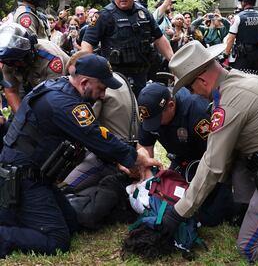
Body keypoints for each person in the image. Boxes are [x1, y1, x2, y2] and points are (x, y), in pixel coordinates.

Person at [0, 53, 162, 258]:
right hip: (23, 180)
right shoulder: (65, 103)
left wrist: (120, 160)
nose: (103, 95)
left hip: (36, 176)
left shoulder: (61, 90)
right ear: (84, 82)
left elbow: (93, 137)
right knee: (57, 241)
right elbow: (96, 136)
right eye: (102, 89)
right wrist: (139, 160)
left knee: (71, 222)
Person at [161, 40, 258, 262]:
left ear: (202, 80)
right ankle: (245, 211)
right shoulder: (241, 80)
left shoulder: (230, 103)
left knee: (250, 247)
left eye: (189, 87)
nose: (191, 93)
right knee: (234, 155)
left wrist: (178, 212)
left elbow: (212, 165)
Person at [137, 82, 237, 226]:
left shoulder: (196, 110)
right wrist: (147, 177)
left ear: (171, 105)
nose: (154, 125)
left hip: (210, 163)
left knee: (210, 218)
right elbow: (145, 146)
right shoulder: (150, 113)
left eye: (157, 120)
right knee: (167, 200)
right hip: (181, 161)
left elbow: (219, 153)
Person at [81, 0, 173, 96]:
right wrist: (91, 73)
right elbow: (87, 44)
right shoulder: (103, 15)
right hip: (114, 78)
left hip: (141, 76)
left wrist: (173, 61)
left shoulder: (144, 13)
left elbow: (159, 38)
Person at [62, 51, 139, 192]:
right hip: (127, 147)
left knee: (61, 188)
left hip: (113, 155)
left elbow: (85, 130)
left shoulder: (96, 88)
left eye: (74, 74)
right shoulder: (117, 78)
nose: (72, 80)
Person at [0, 23, 69, 113]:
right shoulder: (9, 60)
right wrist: (22, 117)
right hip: (33, 88)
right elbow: (11, 91)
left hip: (63, 90)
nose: (18, 64)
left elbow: (53, 98)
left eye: (21, 60)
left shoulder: (50, 58)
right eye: (13, 62)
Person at [224, 0, 258, 72]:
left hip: (243, 57)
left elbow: (231, 39)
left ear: (243, 2)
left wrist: (225, 54)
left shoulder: (238, 17)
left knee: (239, 80)